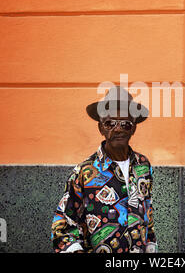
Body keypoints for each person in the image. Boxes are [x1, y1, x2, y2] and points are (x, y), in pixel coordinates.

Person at [51, 86, 158, 253]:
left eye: (125, 124)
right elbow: (63, 225)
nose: (118, 129)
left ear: (134, 128)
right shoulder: (84, 172)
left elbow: (148, 215)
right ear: (101, 128)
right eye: (110, 123)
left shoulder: (143, 165)